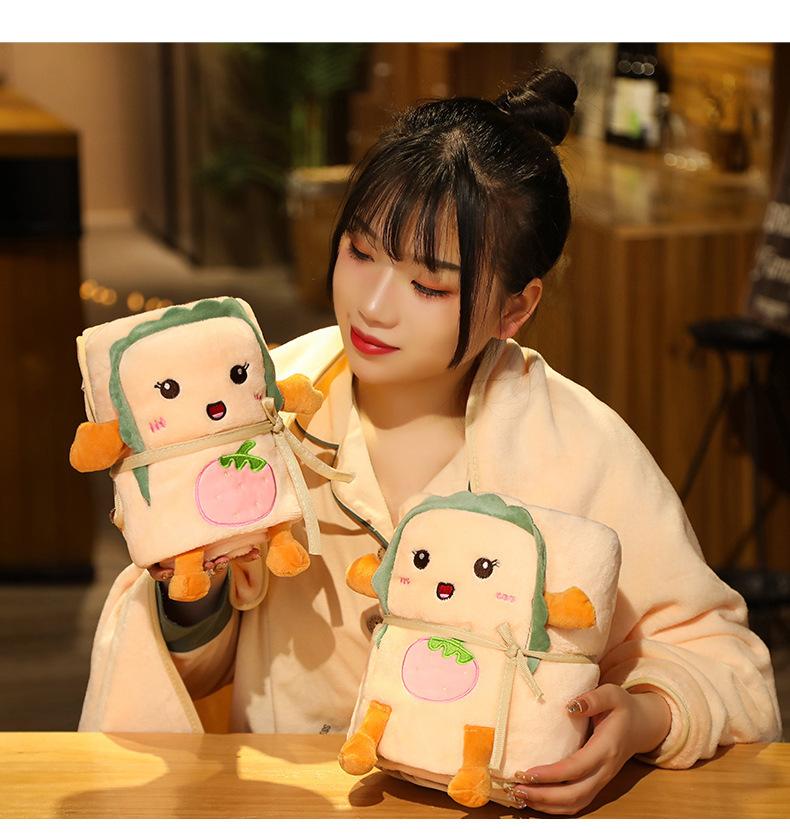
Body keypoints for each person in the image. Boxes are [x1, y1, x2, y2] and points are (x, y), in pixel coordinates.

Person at [79, 67, 783, 815]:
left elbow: (728, 667)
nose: (374, 306)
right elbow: (192, 680)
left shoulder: (581, 447)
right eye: (360, 252)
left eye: (430, 285)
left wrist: (641, 719)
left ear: (515, 308)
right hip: (292, 804)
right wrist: (193, 586)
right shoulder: (261, 410)